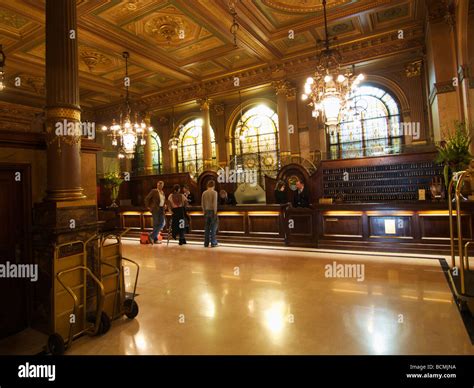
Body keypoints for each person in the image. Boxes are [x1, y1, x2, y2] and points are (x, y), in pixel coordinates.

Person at [202, 180, 218, 248]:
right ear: (213, 185)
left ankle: (206, 243)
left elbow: (202, 203)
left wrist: (204, 211)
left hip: (206, 211)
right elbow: (214, 203)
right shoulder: (214, 192)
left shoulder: (204, 193)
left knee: (207, 228)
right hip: (212, 211)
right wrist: (215, 212)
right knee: (213, 228)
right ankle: (213, 243)